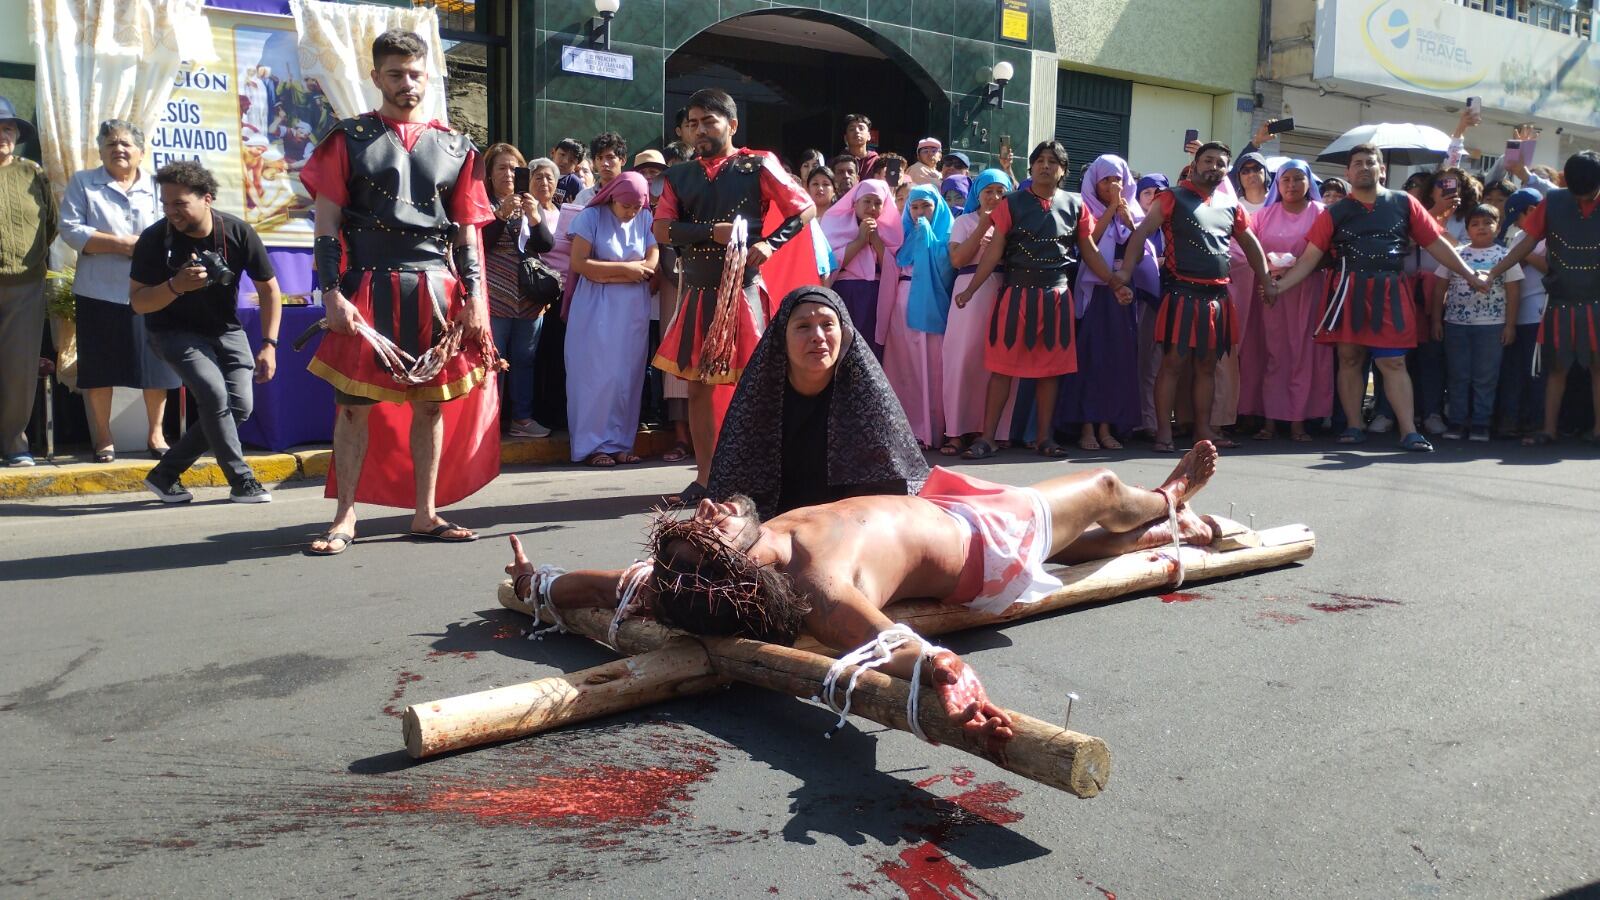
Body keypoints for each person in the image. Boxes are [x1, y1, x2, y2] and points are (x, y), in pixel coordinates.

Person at [508, 441, 1226, 747]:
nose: (707, 510)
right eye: (710, 529)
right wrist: (955, 683)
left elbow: (613, 585)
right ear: (736, 570)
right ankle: (1162, 502)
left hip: (951, 512)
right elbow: (891, 645)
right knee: (1100, 491)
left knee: (1077, 537)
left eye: (698, 521)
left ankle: (1148, 537)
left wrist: (537, 582)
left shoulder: (692, 579)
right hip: (986, 541)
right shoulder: (813, 584)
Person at [301, 29, 497, 554]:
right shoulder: (348, 137)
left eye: (414, 74)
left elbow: (467, 230)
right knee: (353, 406)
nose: (406, 83)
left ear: (427, 75)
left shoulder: (457, 146)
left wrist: (476, 297)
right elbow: (325, 225)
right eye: (395, 74)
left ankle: (425, 513)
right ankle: (345, 517)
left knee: (431, 407)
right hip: (366, 286)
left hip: (437, 286)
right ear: (376, 77)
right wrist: (330, 293)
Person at [651, 88, 816, 505]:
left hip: (742, 292)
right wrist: (711, 233)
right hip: (699, 292)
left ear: (732, 124)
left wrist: (771, 244)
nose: (700, 129)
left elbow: (804, 207)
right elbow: (662, 230)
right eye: (693, 123)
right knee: (698, 389)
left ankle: (761, 476)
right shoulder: (678, 175)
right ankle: (706, 478)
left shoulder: (757, 164)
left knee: (756, 387)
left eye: (709, 121)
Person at [1271, 143, 1489, 453]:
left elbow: (1436, 244)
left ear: (1381, 170)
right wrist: (1277, 288)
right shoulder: (1335, 212)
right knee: (1349, 359)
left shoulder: (1404, 203)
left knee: (1394, 362)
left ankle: (1409, 431)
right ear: (1348, 172)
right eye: (1357, 163)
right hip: (1347, 291)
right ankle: (1354, 425)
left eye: (1369, 162)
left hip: (1390, 291)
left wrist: (1469, 274)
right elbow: (1308, 260)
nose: (1363, 167)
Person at [128, 161, 281, 503]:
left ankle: (166, 474)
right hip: (172, 331)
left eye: (179, 203)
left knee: (240, 406)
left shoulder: (237, 232)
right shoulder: (155, 239)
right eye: (166, 204)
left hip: (226, 329)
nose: (171, 212)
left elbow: (270, 289)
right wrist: (175, 286)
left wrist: (269, 344)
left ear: (207, 199)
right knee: (214, 395)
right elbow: (138, 302)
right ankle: (242, 480)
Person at [956, 141, 1119, 460]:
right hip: (1015, 295)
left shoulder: (1075, 205)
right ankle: (987, 437)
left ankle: (1045, 437)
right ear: (1030, 168)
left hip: (1056, 297)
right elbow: (994, 251)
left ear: (1063, 171)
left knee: (1050, 372)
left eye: (1053, 161)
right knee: (1001, 370)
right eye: (1040, 160)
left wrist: (1114, 282)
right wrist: (971, 288)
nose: (1046, 165)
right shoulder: (1011, 203)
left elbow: (1090, 251)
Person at [708, 285, 928, 517]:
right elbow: (734, 490)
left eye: (827, 325)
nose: (818, 337)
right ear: (782, 337)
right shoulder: (757, 401)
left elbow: (892, 491)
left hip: (853, 530)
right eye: (803, 326)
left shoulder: (869, 400)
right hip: (774, 529)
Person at [1114, 142, 1271, 453]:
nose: (1214, 167)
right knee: (1172, 364)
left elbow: (1251, 244)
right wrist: (1124, 273)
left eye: (1220, 163)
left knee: (1207, 366)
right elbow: (1142, 234)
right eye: (1208, 160)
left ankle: (1203, 430)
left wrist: (1267, 280)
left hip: (1216, 297)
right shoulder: (1172, 197)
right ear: (1196, 163)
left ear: (1228, 170)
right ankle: (1163, 433)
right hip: (1180, 293)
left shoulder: (1231, 205)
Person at [59, 119, 180, 463]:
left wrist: (148, 248)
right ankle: (103, 437)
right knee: (99, 366)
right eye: (111, 144)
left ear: (141, 152)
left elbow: (176, 223)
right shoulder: (84, 182)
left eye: (127, 144)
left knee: (156, 366)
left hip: (152, 290)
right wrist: (119, 244)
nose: (119, 150)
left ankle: (156, 434)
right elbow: (69, 228)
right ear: (101, 150)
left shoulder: (159, 186)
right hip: (98, 290)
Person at [1488, 150, 1600, 446]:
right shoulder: (1555, 201)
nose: (1582, 198)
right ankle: (1548, 429)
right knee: (1556, 367)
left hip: (1598, 300)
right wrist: (1495, 271)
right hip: (1561, 299)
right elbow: (1528, 240)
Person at [1057, 154, 1155, 451]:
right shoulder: (1084, 208)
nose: (1112, 185)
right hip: (1096, 290)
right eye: (1106, 179)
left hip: (1123, 291)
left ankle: (1107, 425)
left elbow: (1139, 245)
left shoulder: (1134, 210)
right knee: (1091, 358)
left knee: (1117, 360)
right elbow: (1088, 243)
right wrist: (1111, 209)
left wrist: (1127, 217)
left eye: (1117, 179)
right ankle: (1086, 426)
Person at [565, 172, 658, 466]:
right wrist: (628, 272)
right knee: (595, 377)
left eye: (636, 207)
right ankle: (593, 446)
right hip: (595, 307)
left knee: (625, 377)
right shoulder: (591, 217)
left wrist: (639, 269)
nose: (631, 212)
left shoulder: (644, 218)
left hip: (632, 309)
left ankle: (619, 443)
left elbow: (652, 255)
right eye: (626, 207)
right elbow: (580, 263)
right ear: (613, 197)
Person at [1251, 159, 1332, 441]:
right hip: (1271, 292)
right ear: (1277, 184)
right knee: (1274, 354)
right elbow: (1250, 250)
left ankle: (1299, 420)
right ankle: (1270, 420)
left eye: (1298, 179)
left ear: (1309, 182)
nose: (1292, 185)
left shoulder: (1321, 213)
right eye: (1285, 179)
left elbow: (1328, 252)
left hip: (1309, 291)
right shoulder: (1263, 215)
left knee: (1304, 354)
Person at [1429, 204, 1521, 442]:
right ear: (1467, 229)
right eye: (1475, 223)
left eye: (1487, 223)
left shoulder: (1505, 256)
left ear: (1498, 227)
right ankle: (1457, 421)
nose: (1481, 228)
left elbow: (1513, 291)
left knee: (1485, 377)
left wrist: (1510, 326)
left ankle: (1481, 423)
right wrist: (1436, 320)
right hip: (1456, 324)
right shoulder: (1457, 253)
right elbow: (1440, 287)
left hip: (1492, 326)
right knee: (1458, 375)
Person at [941, 168, 1015, 456]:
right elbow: (958, 259)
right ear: (977, 193)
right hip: (968, 293)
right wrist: (984, 226)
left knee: (998, 362)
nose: (995, 197)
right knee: (962, 360)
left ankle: (994, 431)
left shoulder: (1012, 224)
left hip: (1001, 290)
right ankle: (956, 432)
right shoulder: (964, 221)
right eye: (988, 191)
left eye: (1001, 191)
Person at [483, 143, 553, 440]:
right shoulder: (481, 202)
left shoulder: (529, 204)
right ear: (489, 174)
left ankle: (521, 419)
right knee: (493, 361)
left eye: (514, 168)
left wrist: (535, 218)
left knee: (525, 359)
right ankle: (488, 421)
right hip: (494, 295)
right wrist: (500, 215)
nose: (509, 174)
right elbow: (480, 243)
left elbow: (545, 245)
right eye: (501, 167)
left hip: (528, 298)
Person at [0, 98, 54, 467]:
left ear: (17, 135)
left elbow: (50, 225)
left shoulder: (33, 173)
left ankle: (13, 442)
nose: (1, 135)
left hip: (24, 285)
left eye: (7, 128)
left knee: (19, 370)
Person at [884, 184, 956, 448]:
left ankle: (931, 430)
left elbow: (946, 270)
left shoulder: (947, 234)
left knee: (932, 367)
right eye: (914, 207)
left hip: (931, 306)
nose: (919, 212)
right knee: (904, 367)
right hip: (901, 306)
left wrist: (928, 242)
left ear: (937, 207)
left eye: (926, 205)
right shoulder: (902, 234)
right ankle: (904, 431)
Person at [820, 179, 903, 361]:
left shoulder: (889, 230)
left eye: (878, 203)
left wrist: (876, 241)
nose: (872, 207)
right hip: (845, 293)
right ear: (855, 202)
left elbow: (892, 268)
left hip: (874, 297)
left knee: (868, 350)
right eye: (867, 201)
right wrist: (859, 241)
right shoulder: (834, 224)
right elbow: (830, 264)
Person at [1492, 189, 1548, 437]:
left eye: (1518, 217)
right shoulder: (1520, 237)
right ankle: (1511, 419)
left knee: (1535, 372)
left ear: (1534, 211)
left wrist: (1527, 252)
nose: (1516, 223)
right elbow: (1512, 267)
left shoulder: (1550, 237)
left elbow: (1553, 270)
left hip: (1539, 313)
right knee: (1514, 371)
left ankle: (1535, 422)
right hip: (1516, 314)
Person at [573, 132, 626, 206]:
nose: (605, 163)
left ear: (623, 160)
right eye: (599, 158)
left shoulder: (632, 194)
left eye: (610, 157)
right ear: (594, 162)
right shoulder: (583, 197)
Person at [840, 113, 879, 179]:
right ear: (845, 138)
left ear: (869, 136)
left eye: (861, 128)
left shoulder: (877, 162)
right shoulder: (836, 163)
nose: (857, 131)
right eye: (852, 129)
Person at [550, 137, 585, 203]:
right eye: (562, 155)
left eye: (571, 160)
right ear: (553, 153)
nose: (565, 161)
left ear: (577, 166)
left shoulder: (575, 184)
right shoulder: (540, 173)